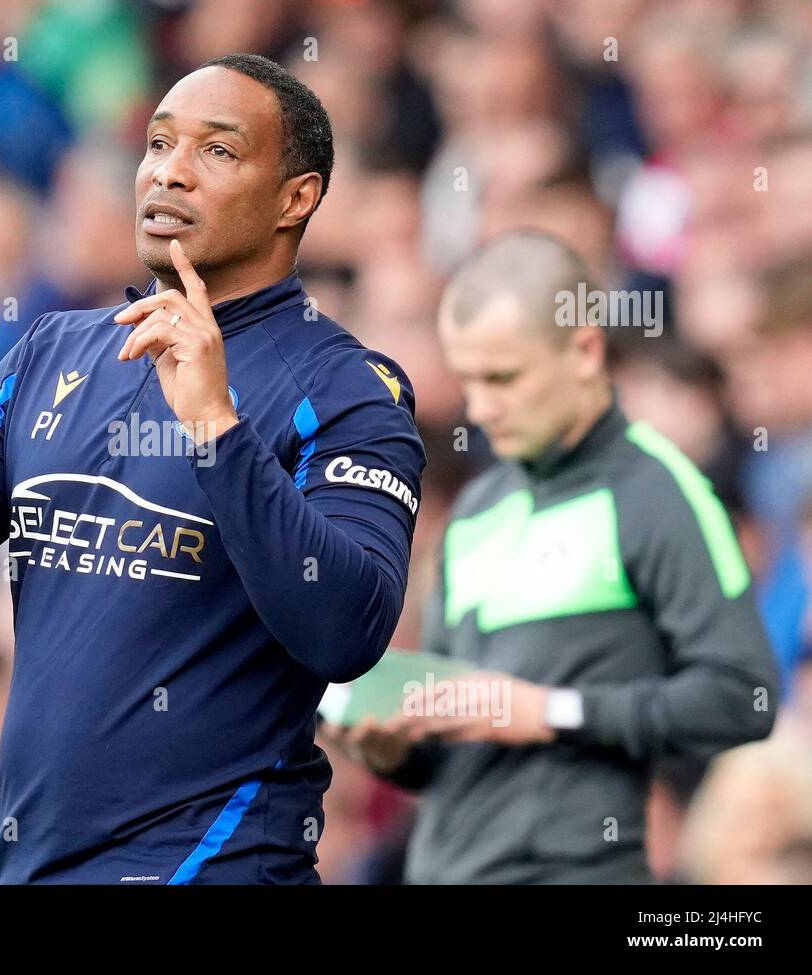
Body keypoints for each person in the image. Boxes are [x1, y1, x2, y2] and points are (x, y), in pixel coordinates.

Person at [0, 53, 425, 884]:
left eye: (217, 151)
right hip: (32, 863)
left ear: (297, 197)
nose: (169, 172)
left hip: (215, 863)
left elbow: (348, 629)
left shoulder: (347, 389)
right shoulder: (52, 349)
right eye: (158, 144)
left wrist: (219, 431)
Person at [323, 231, 779, 883]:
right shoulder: (476, 510)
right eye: (468, 380)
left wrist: (551, 711)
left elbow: (746, 696)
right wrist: (395, 749)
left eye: (503, 377)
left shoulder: (658, 491)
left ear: (585, 349)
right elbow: (462, 744)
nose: (480, 408)